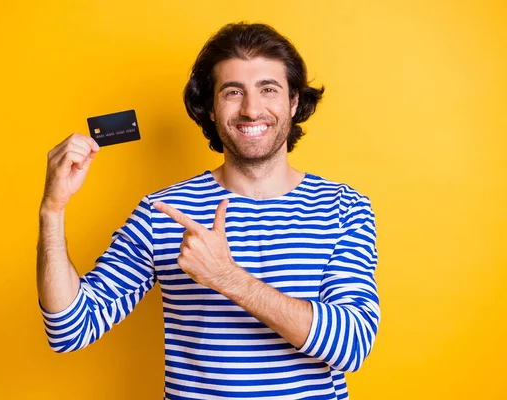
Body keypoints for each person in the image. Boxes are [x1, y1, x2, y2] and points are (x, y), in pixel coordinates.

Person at [37, 22, 380, 400]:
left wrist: (226, 277)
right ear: (212, 110)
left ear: (294, 102)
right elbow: (69, 329)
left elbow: (353, 345)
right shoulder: (163, 212)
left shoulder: (344, 207)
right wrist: (52, 211)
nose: (251, 110)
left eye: (268, 89)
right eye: (233, 92)